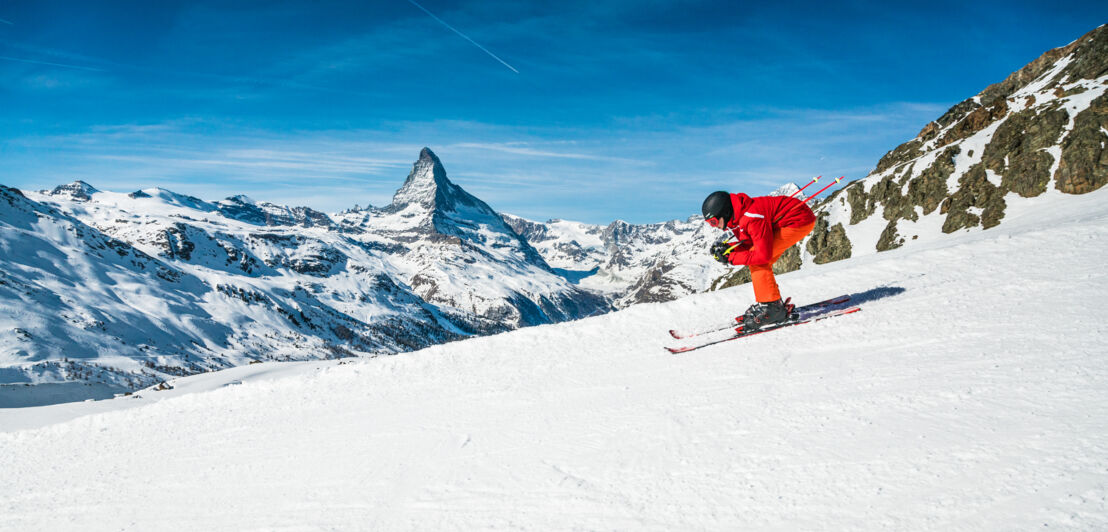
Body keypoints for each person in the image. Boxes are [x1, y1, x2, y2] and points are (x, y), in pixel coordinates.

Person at [701, 190, 816, 331]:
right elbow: (751, 241)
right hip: (787, 219)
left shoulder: (751, 217)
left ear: (725, 212)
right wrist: (728, 249)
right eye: (709, 223)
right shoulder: (738, 217)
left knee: (758, 262)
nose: (714, 226)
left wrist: (731, 258)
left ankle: (771, 308)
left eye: (713, 222)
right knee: (755, 258)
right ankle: (770, 304)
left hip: (798, 220)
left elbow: (762, 255)